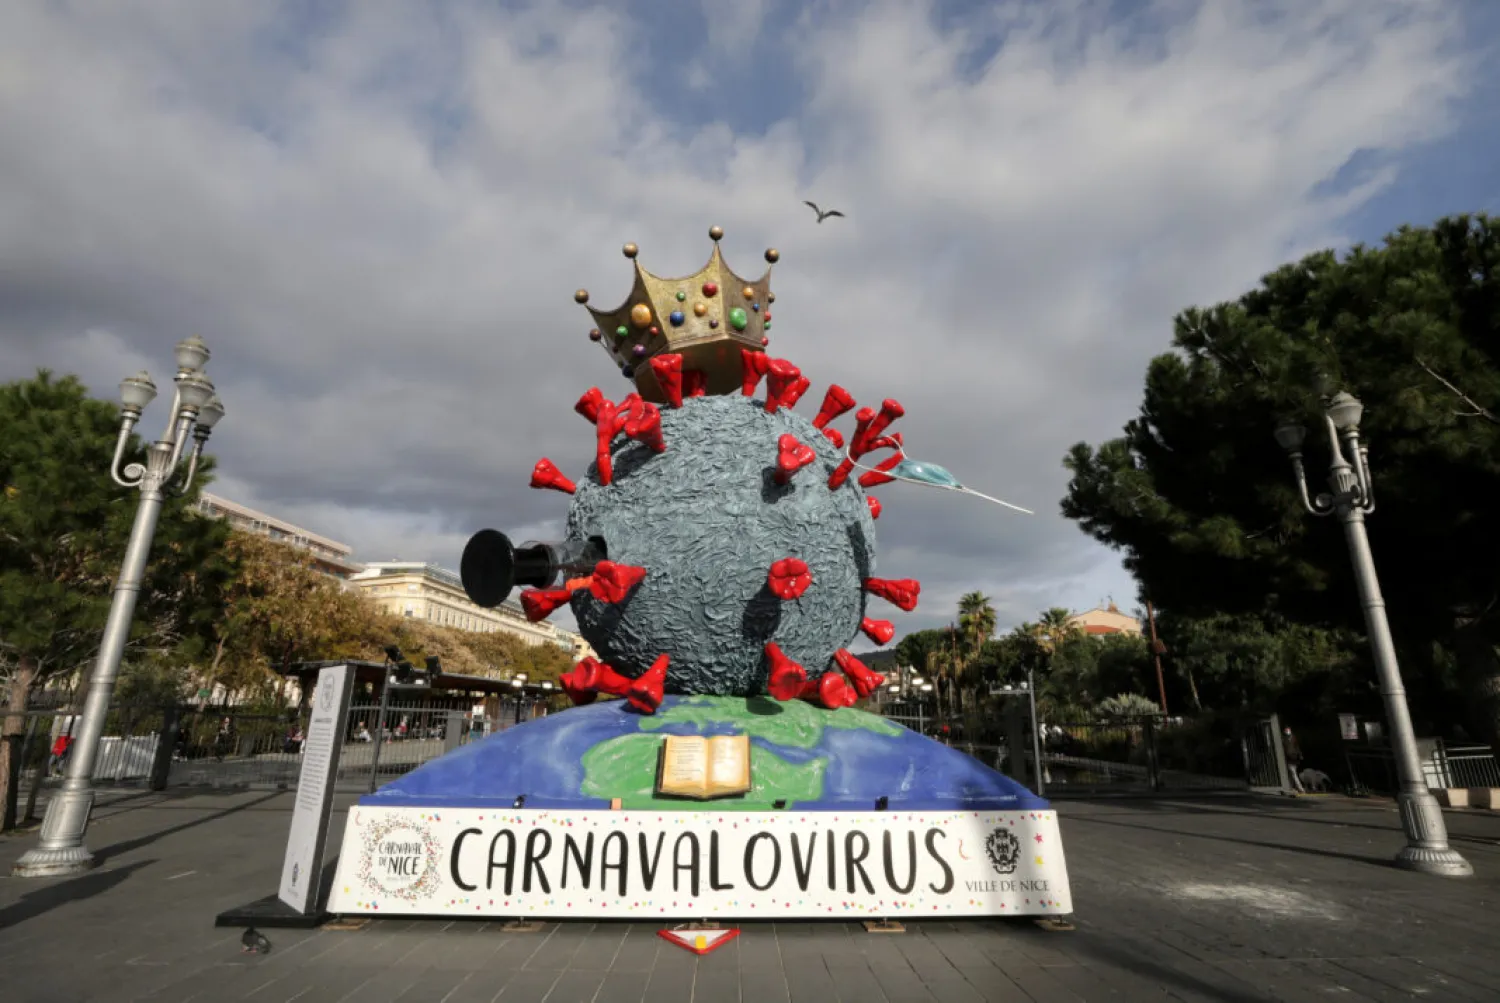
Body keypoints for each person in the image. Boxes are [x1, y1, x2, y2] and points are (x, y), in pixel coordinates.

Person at [1283, 726, 1306, 793]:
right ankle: (1300, 788)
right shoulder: (1284, 739)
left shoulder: (1293, 738)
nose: (1287, 731)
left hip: (1294, 757)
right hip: (1289, 758)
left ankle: (1290, 787)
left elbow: (1297, 747)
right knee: (1293, 773)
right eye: (1286, 730)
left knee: (1292, 773)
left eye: (1288, 730)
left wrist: (1300, 754)